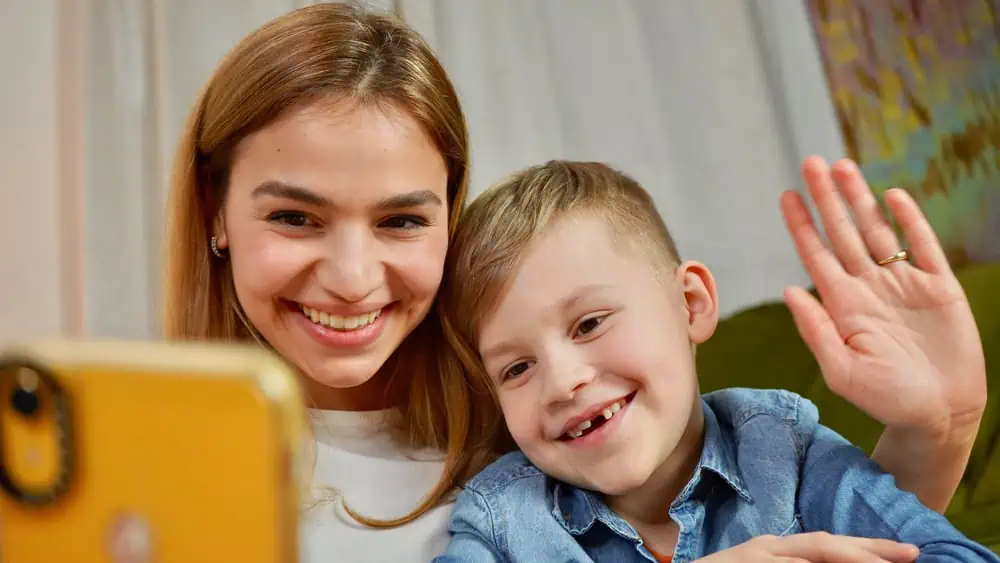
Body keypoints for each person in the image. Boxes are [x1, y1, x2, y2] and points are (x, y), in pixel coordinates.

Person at [158, 3, 987, 561]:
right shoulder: (152, 467)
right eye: (295, 218)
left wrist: (939, 426)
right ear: (216, 212)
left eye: (402, 220)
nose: (349, 277)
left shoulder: (539, 426)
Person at [435, 159, 996, 562]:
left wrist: (944, 422)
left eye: (589, 324)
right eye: (515, 369)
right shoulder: (501, 520)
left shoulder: (782, 447)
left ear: (692, 305)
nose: (561, 382)